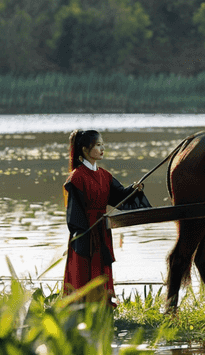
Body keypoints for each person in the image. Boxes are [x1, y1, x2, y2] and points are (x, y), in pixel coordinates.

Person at [63, 129, 151, 306]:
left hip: (102, 229)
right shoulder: (76, 178)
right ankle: (81, 306)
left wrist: (133, 190)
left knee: (102, 265)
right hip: (85, 232)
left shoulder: (104, 175)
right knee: (84, 268)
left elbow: (118, 197)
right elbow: (74, 212)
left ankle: (103, 304)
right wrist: (81, 233)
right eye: (97, 145)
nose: (102, 148)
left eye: (103, 144)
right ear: (85, 149)